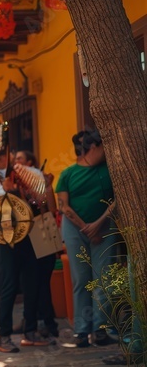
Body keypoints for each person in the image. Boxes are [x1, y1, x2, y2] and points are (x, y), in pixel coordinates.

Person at [0, 149, 56, 353]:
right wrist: (7, 189)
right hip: (9, 237)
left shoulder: (27, 172)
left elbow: (41, 200)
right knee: (10, 286)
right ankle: (3, 337)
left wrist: (34, 188)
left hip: (31, 234)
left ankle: (29, 332)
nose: (1, 160)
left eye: (3, 156)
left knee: (32, 283)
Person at [57, 130, 119, 348]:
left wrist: (99, 224)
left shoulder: (109, 170)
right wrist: (86, 228)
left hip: (104, 227)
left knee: (102, 279)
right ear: (93, 147)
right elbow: (64, 206)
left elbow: (118, 198)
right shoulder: (68, 173)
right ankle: (82, 331)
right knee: (81, 280)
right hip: (75, 230)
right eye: (102, 147)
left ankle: (101, 329)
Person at [15, 150, 60, 340]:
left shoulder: (41, 182)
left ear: (30, 163)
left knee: (42, 283)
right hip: (25, 240)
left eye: (20, 159)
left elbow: (50, 209)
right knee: (29, 284)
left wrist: (45, 188)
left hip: (42, 235)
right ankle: (31, 322)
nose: (16, 163)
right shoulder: (15, 186)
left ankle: (47, 323)